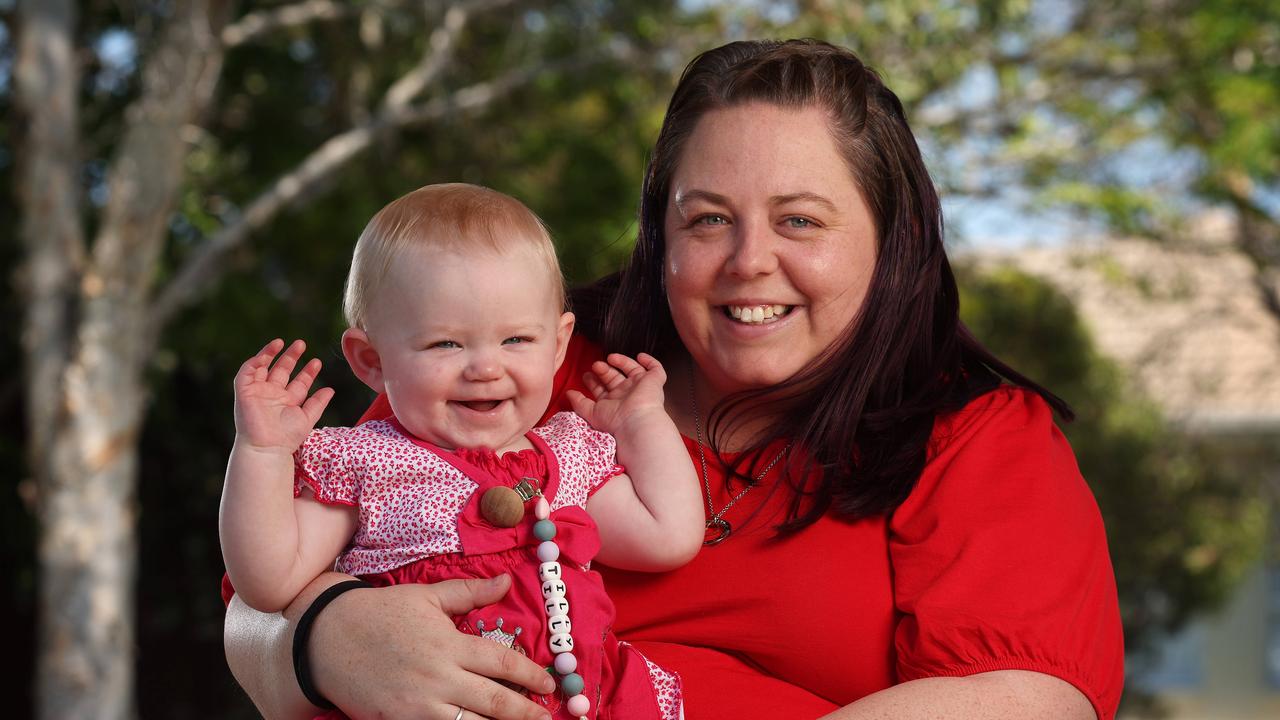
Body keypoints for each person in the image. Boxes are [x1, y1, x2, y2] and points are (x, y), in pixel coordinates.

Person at [223, 40, 1125, 720]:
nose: (748, 262)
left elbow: (1028, 700)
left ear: (892, 245)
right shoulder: (519, 370)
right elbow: (255, 606)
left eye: (801, 221)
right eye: (708, 221)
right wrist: (324, 638)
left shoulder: (976, 435)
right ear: (661, 235)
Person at [219, 183, 699, 719]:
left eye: (516, 340)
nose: (485, 367)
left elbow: (669, 535)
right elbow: (267, 581)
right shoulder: (368, 464)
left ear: (559, 344)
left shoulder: (567, 458)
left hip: (583, 700)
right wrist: (261, 452)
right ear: (370, 360)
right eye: (445, 343)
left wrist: (642, 422)